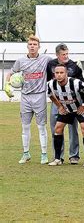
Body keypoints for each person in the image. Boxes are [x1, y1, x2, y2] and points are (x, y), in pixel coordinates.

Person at [5, 35, 52, 164]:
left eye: (35, 44)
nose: (32, 46)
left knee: (41, 127)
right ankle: (26, 153)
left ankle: (44, 154)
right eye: (30, 44)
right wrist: (7, 85)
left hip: (40, 96)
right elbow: (10, 73)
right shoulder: (21, 61)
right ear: (27, 46)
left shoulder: (46, 59)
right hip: (25, 97)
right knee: (25, 127)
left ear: (39, 46)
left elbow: (58, 64)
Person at [46, 43, 84, 164]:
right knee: (56, 127)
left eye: (67, 53)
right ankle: (58, 156)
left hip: (73, 103)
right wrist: (59, 105)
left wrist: (81, 104)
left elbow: (82, 84)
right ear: (57, 55)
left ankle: (74, 155)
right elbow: (49, 84)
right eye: (63, 54)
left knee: (73, 128)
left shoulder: (74, 65)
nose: (66, 56)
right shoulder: (51, 65)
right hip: (58, 102)